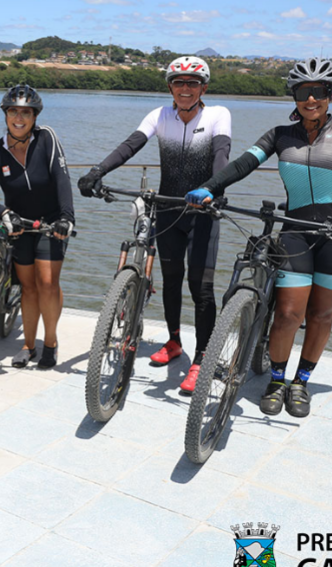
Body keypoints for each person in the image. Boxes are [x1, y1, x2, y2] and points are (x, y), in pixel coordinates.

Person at [186, 58, 332, 418]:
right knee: (289, 314)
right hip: (294, 231)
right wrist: (210, 187)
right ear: (294, 96)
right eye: (303, 92)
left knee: (322, 314)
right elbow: (244, 163)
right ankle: (277, 380)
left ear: (330, 94)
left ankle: (301, 383)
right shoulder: (279, 135)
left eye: (319, 92)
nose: (311, 100)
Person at [78, 56, 232, 395]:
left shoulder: (218, 114)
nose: (186, 89)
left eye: (193, 83)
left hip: (202, 212)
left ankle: (202, 359)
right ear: (170, 88)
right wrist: (97, 171)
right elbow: (131, 145)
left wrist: (214, 188)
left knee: (201, 288)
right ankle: (174, 341)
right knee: (172, 281)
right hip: (168, 211)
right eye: (179, 83)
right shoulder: (160, 116)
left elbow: (223, 154)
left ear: (203, 88)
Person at [0, 84, 74, 370]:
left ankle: (49, 343)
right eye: (13, 111)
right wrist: (3, 213)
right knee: (28, 288)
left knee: (48, 283)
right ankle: (28, 345)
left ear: (34, 116)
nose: (19, 117)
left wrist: (67, 217)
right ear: (5, 115)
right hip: (18, 226)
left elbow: (62, 178)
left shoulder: (47, 139)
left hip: (51, 223)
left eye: (25, 112)